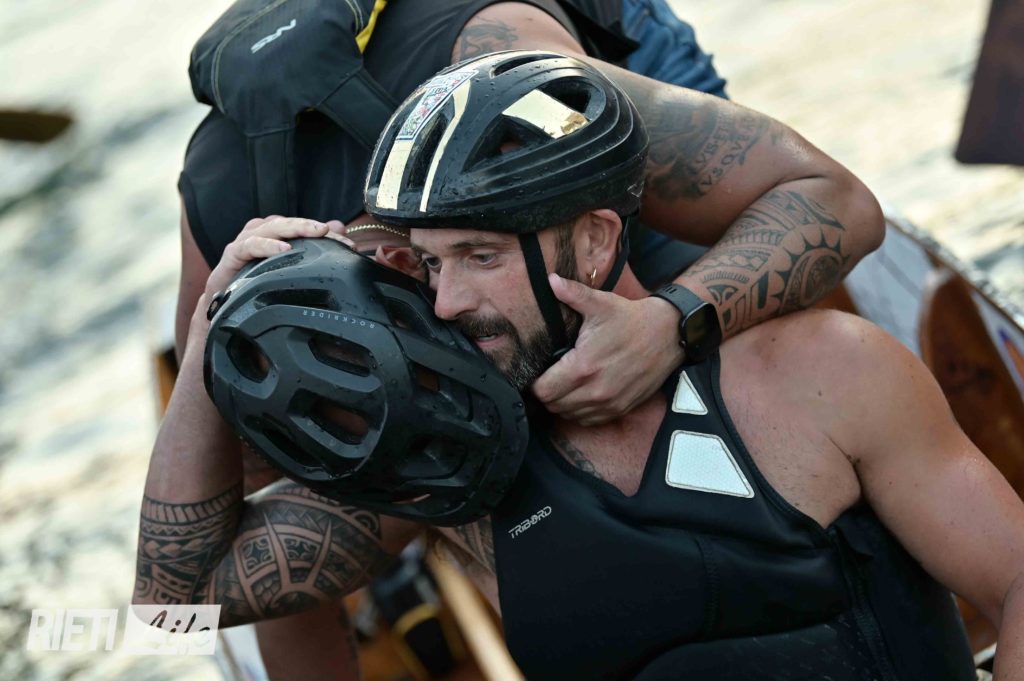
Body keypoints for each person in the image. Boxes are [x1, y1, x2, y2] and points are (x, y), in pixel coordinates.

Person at [137, 53, 1024, 679]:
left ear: (595, 240)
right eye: (433, 264)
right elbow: (174, 601)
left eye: (480, 256)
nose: (446, 303)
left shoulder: (821, 373)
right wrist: (217, 320)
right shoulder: (453, 474)